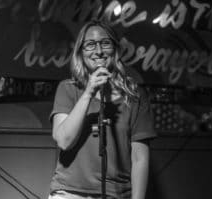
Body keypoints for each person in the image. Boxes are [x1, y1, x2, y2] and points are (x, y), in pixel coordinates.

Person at [48, 20, 157, 199]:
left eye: (105, 43)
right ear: (81, 52)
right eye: (90, 45)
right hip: (70, 192)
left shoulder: (135, 95)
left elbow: (140, 158)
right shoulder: (68, 89)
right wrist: (89, 92)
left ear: (115, 49)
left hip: (117, 194)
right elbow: (63, 140)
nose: (98, 51)